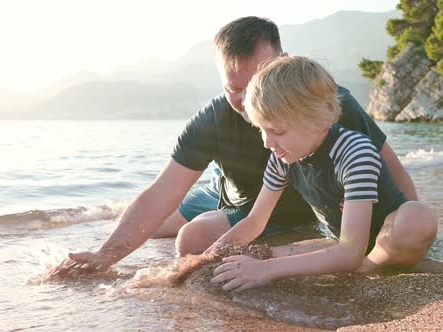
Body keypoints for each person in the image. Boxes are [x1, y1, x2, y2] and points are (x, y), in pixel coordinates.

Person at [49, 16, 418, 276]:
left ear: (283, 63)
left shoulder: (325, 103)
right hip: (233, 195)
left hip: (296, 206)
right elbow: (161, 192)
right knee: (147, 223)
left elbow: (390, 169)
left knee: (191, 236)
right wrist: (105, 256)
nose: (244, 101)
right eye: (232, 88)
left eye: (255, 82)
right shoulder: (214, 118)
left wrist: (407, 231)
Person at [210, 56, 437, 291]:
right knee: (247, 253)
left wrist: (268, 269)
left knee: (416, 215)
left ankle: (369, 267)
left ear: (318, 120)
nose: (267, 142)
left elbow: (350, 252)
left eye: (277, 130)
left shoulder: (354, 151)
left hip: (384, 243)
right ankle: (352, 262)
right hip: (341, 242)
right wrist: (212, 254)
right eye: (262, 130)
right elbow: (255, 221)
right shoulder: (283, 156)